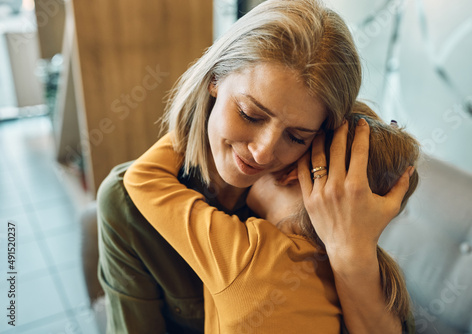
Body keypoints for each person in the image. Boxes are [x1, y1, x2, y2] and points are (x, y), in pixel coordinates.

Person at [96, 0, 410, 332]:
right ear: (214, 78)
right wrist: (192, 123)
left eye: (296, 136)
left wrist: (353, 256)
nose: (262, 153)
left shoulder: (327, 189)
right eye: (249, 114)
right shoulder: (127, 206)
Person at [123, 109, 420, 333]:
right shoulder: (369, 280)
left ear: (290, 173)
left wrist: (213, 110)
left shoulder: (247, 254)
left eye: (293, 139)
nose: (259, 151)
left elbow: (142, 178)